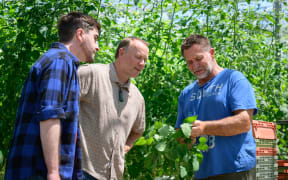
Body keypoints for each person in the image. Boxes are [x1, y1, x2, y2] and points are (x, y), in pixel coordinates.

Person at [5, 12, 101, 180]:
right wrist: (53, 173)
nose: (97, 46)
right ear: (80, 34)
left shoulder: (61, 61)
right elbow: (50, 114)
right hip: (37, 171)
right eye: (95, 38)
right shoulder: (60, 61)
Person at [175, 34, 257, 180]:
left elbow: (244, 122)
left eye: (199, 59)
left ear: (211, 53)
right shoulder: (186, 94)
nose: (194, 66)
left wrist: (204, 127)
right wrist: (185, 139)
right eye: (189, 62)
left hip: (234, 169)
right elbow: (179, 133)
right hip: (201, 171)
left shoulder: (233, 79)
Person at [78, 37, 149, 180]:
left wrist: (124, 149)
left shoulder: (137, 97)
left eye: (145, 60)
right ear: (121, 53)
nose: (142, 64)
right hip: (81, 170)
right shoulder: (90, 74)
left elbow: (138, 131)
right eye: (138, 57)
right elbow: (60, 108)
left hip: (114, 175)